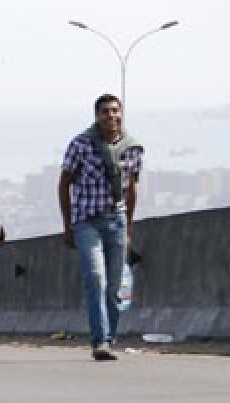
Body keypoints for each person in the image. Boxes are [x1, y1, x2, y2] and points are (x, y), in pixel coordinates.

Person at [58, 94, 144, 361]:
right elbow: (64, 184)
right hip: (86, 221)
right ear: (97, 116)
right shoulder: (81, 144)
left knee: (115, 285)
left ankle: (110, 336)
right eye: (105, 112)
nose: (111, 116)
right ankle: (100, 341)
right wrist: (68, 225)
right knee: (96, 278)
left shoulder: (133, 148)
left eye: (115, 111)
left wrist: (129, 226)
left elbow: (132, 189)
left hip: (116, 220)